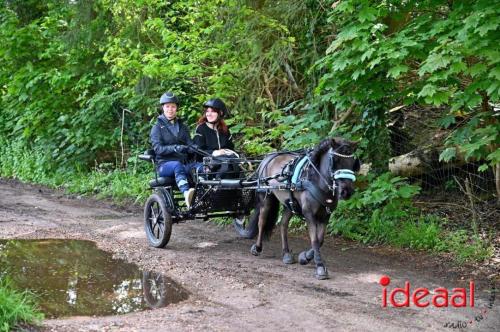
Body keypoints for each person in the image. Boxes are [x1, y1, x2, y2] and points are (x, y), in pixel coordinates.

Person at [150, 91, 196, 208]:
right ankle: (186, 194)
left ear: (177, 109)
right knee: (176, 165)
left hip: (184, 163)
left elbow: (189, 144)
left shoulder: (183, 127)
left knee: (200, 167)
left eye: (173, 106)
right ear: (163, 108)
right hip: (164, 165)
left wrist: (194, 148)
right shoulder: (157, 127)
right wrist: (175, 148)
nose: (170, 109)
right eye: (167, 106)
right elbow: (158, 149)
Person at [194, 98, 238, 178]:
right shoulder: (201, 129)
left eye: (213, 111)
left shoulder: (225, 130)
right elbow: (198, 151)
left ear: (220, 113)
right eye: (207, 111)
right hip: (207, 163)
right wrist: (214, 152)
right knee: (225, 168)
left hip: (225, 161)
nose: (209, 114)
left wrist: (228, 152)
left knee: (236, 167)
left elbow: (231, 148)